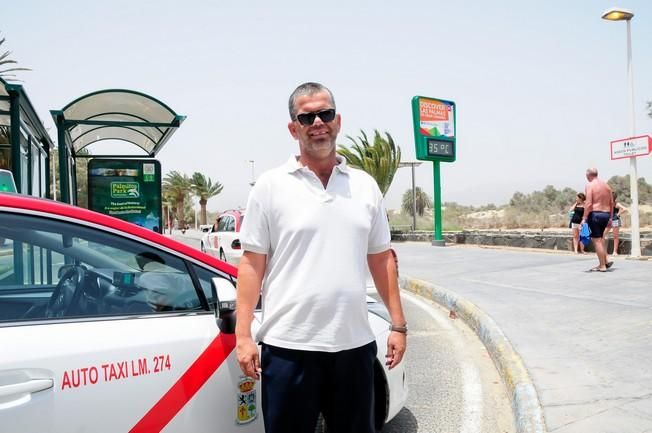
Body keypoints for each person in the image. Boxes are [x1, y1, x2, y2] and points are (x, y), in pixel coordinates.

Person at [235, 82, 407, 433]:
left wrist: (398, 324)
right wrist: (243, 336)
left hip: (354, 348)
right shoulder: (270, 186)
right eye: (307, 116)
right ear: (293, 127)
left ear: (338, 121)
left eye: (325, 114)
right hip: (287, 349)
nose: (318, 122)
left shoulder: (364, 186)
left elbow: (381, 259)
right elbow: (252, 264)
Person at [581, 167, 614, 272]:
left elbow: (589, 203)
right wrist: (610, 217)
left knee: (597, 241)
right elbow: (612, 203)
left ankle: (602, 266)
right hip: (606, 214)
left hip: (595, 214)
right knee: (600, 239)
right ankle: (606, 261)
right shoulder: (607, 186)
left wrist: (584, 218)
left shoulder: (590, 185)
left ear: (588, 175)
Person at [603, 191, 628, 256]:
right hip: (608, 220)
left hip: (615, 220)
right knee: (603, 234)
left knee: (615, 236)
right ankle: (604, 251)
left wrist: (618, 214)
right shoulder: (607, 203)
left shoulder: (616, 204)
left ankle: (615, 252)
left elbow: (625, 209)